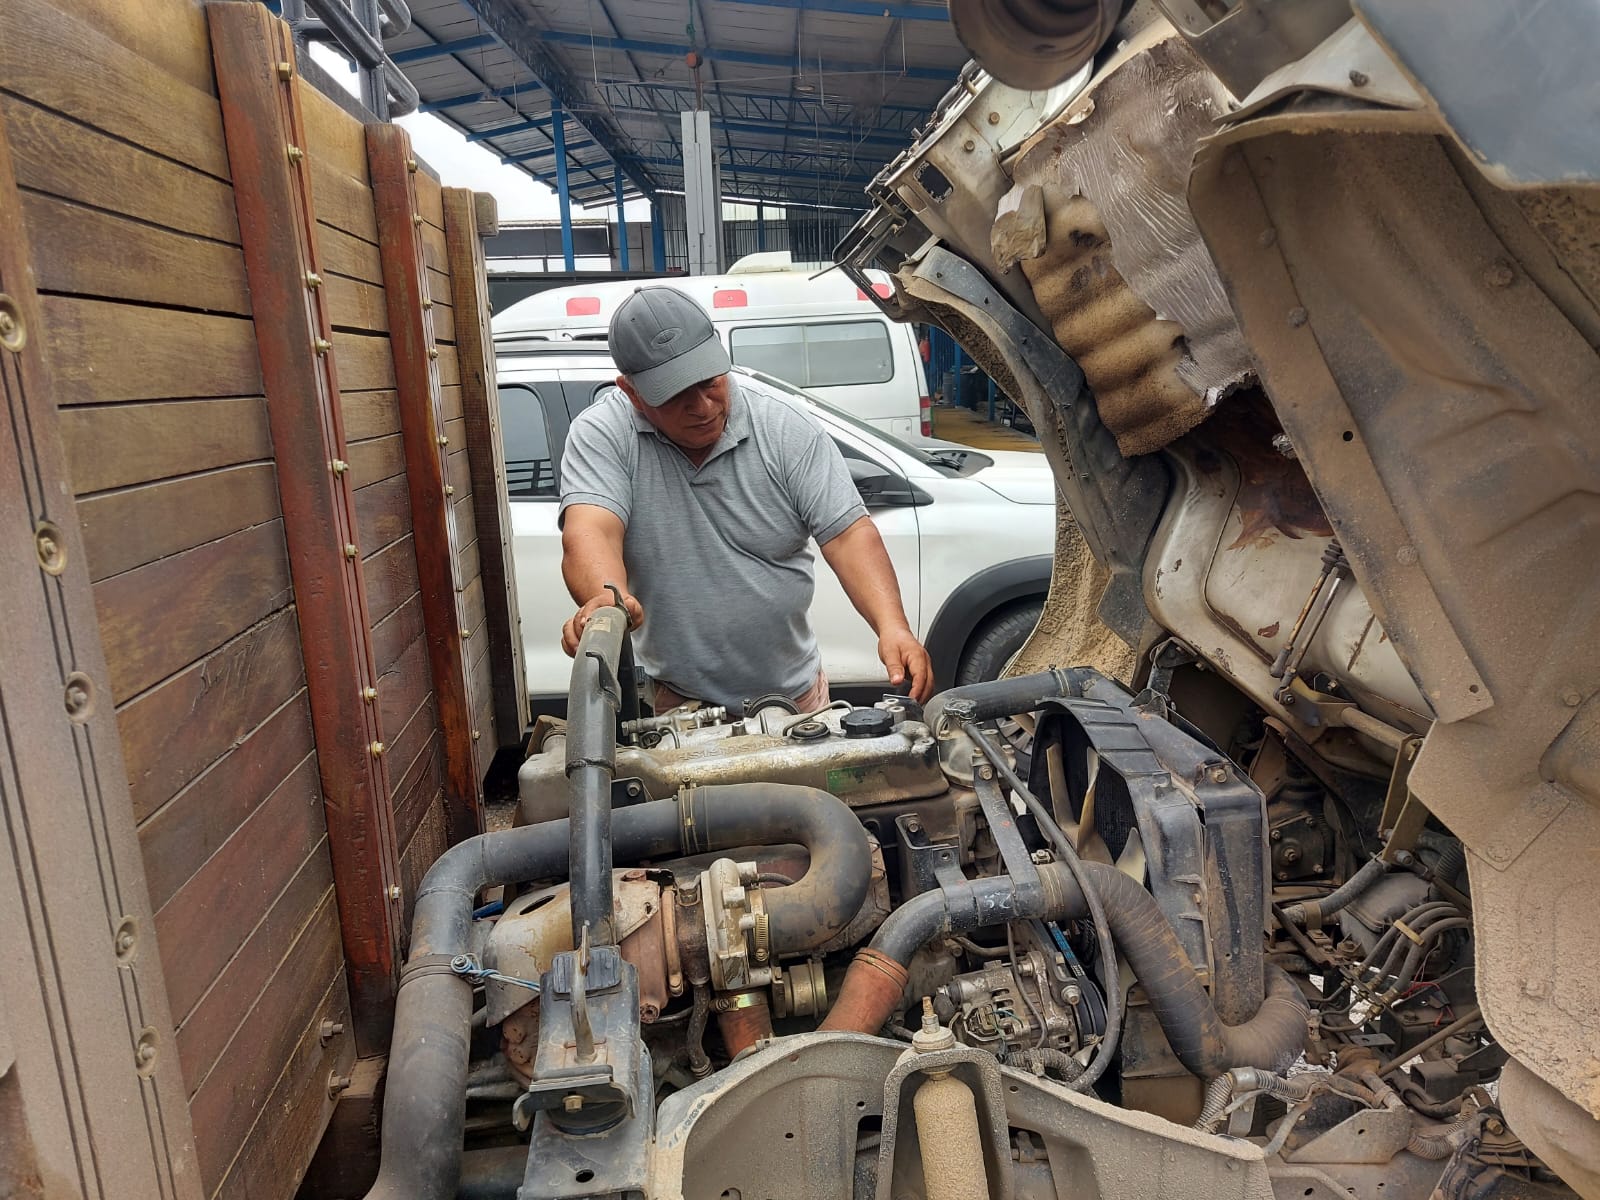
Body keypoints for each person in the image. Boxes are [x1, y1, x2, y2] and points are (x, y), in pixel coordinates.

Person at [557, 285, 934, 712]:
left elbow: (848, 536)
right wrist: (609, 602)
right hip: (678, 706)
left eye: (709, 382)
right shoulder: (603, 434)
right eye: (676, 395)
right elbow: (591, 530)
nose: (702, 406)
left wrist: (893, 626)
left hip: (795, 701)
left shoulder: (784, 427)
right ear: (632, 393)